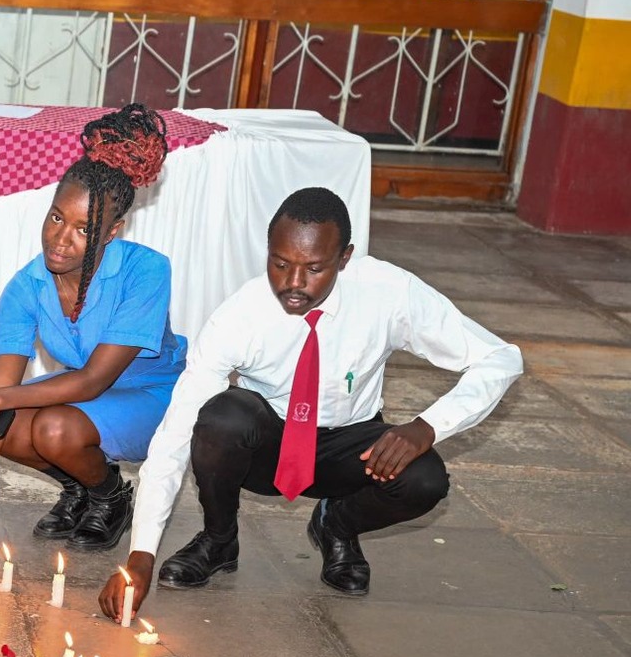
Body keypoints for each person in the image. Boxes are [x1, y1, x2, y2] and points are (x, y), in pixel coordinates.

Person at [98, 186, 521, 616]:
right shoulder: (240, 316)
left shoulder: (388, 292)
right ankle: (219, 538)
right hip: (270, 443)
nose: (293, 284)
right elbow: (174, 436)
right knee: (221, 418)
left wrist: (427, 427)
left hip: (351, 443)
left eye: (314, 268)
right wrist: (141, 556)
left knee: (426, 478)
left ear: (345, 257)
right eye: (280, 264)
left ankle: (336, 525)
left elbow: (502, 358)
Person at [0, 105, 183, 572]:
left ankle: (111, 496)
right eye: (57, 218)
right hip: (82, 398)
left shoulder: (146, 270)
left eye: (85, 229)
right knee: (7, 425)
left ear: (112, 232)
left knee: (51, 427)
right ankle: (79, 486)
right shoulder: (26, 287)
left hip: (151, 394)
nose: (61, 239)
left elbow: (93, 382)